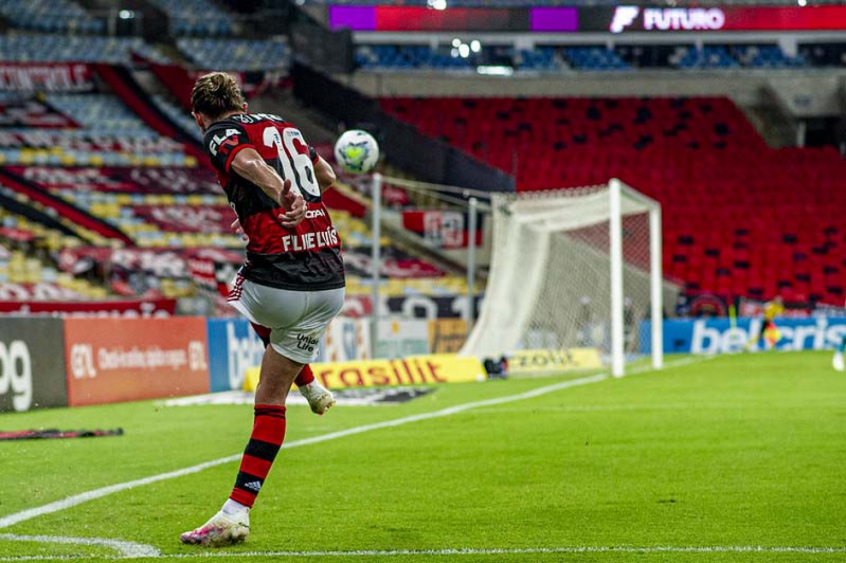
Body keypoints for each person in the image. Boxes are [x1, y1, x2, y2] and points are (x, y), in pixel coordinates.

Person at [181, 72, 345, 547]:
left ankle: (310, 383)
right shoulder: (284, 125)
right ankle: (235, 511)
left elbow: (248, 160)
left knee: (234, 292)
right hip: (330, 281)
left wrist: (280, 194)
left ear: (199, 116)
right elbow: (329, 177)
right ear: (243, 101)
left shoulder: (219, 132)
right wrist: (301, 203)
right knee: (270, 398)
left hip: (277, 282)